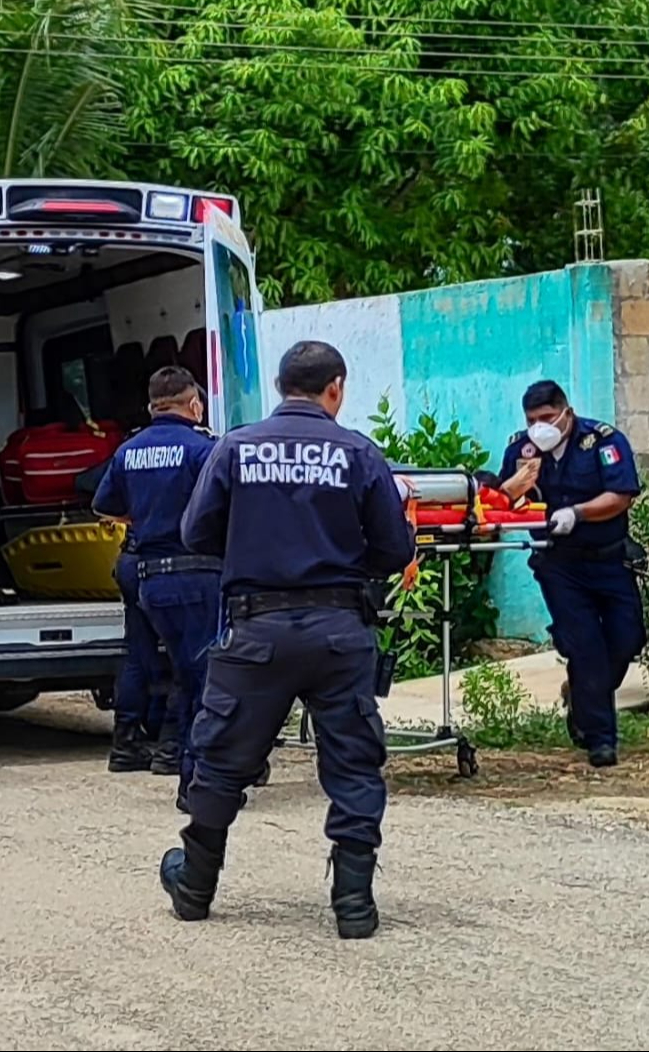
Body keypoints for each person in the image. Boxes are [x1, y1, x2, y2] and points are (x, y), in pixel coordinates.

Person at [158, 340, 415, 940]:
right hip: (338, 632)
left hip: (256, 630)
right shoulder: (358, 452)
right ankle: (354, 905)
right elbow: (395, 549)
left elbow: (196, 533)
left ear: (280, 386)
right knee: (353, 766)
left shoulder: (235, 447)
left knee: (222, 760)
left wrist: (255, 551)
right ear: (336, 388)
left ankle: (194, 886)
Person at [499, 379, 646, 769]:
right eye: (532, 420)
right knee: (586, 647)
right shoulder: (522, 448)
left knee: (627, 638)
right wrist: (513, 491)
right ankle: (600, 740)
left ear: (566, 412)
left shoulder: (602, 441)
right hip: (559, 563)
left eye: (546, 418)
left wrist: (577, 513)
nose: (539, 427)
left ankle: (579, 692)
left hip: (609, 558)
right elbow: (504, 500)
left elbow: (621, 495)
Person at [93, 368, 220, 779]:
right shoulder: (202, 449)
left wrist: (146, 519)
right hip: (195, 572)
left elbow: (105, 506)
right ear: (195, 404)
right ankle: (181, 758)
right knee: (200, 671)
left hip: (144, 571)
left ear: (153, 406)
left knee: (141, 655)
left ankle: (128, 742)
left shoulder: (128, 450)